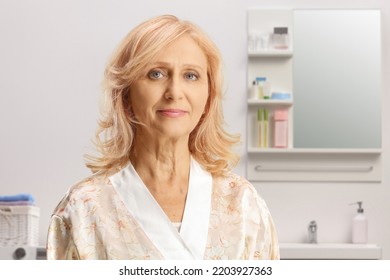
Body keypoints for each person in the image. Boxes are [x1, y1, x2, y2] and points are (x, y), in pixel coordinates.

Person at [46, 15, 279, 260]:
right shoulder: (82, 208)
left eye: (191, 76)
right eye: (156, 74)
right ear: (125, 95)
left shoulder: (243, 205)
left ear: (208, 98)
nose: (174, 92)